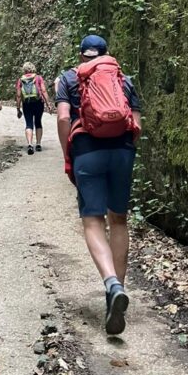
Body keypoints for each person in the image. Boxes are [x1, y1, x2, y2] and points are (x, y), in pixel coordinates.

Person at [56, 35, 142, 336]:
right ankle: (116, 294)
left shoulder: (69, 79)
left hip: (87, 153)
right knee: (118, 220)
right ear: (107, 55)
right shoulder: (124, 79)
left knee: (93, 221)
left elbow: (64, 117)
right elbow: (137, 125)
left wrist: (69, 155)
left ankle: (111, 285)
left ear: (82, 56)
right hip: (122, 153)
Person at [15, 62, 52, 155]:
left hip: (27, 103)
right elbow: (43, 90)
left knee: (28, 123)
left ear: (24, 70)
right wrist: (48, 104)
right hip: (38, 102)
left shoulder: (21, 80)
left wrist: (18, 108)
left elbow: (18, 95)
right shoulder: (38, 78)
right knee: (38, 122)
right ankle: (38, 144)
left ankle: (30, 144)